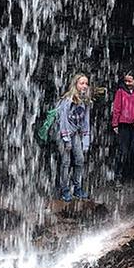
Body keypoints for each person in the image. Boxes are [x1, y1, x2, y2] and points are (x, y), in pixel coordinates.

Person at [56, 73, 92, 202]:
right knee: (65, 162)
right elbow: (62, 120)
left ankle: (77, 187)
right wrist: (66, 140)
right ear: (75, 84)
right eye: (81, 83)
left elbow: (86, 121)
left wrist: (86, 140)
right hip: (63, 134)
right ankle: (64, 189)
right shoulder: (67, 100)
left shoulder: (86, 101)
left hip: (76, 133)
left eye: (86, 83)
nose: (84, 86)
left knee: (80, 160)